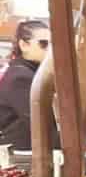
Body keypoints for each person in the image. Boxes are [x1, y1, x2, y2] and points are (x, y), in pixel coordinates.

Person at [0, 20, 52, 150]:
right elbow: (40, 124)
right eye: (43, 44)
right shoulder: (21, 76)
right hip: (22, 155)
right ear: (23, 45)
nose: (49, 50)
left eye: (52, 45)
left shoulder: (26, 72)